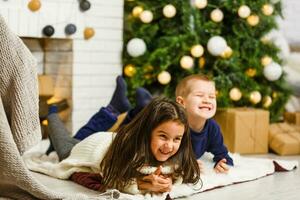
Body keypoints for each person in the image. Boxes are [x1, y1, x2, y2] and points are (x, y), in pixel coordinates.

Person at [43, 97, 200, 194]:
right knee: (65, 145)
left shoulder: (176, 153)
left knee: (77, 136)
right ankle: (51, 114)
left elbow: (181, 172)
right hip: (91, 148)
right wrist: (144, 184)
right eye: (163, 136)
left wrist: (171, 179)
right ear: (147, 132)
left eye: (177, 139)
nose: (169, 146)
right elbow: (113, 179)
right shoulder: (130, 150)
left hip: (110, 138)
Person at [175, 74, 234, 173]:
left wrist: (222, 163)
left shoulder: (212, 128)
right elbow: (162, 154)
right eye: (199, 95)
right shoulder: (174, 126)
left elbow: (222, 153)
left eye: (212, 97)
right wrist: (183, 164)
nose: (207, 100)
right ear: (181, 102)